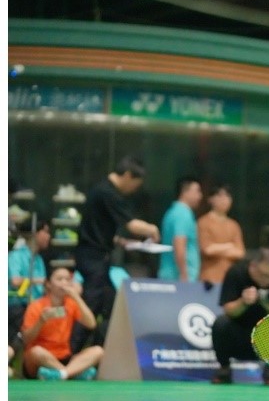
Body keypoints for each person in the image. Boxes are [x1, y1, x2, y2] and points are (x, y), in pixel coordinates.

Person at [75, 156, 159, 333]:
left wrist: (120, 241)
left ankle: (99, 344)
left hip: (94, 256)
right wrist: (152, 229)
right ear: (127, 175)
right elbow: (132, 225)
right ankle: (72, 346)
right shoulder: (109, 193)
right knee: (91, 305)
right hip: (94, 258)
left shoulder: (100, 189)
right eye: (135, 184)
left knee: (110, 305)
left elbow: (96, 227)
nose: (134, 189)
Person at [211, 248, 269, 385]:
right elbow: (228, 310)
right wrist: (243, 302)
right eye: (264, 275)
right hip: (239, 335)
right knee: (220, 323)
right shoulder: (236, 273)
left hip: (265, 339)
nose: (268, 280)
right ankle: (224, 369)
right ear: (253, 266)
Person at [19, 266, 102, 381]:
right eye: (59, 279)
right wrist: (41, 321)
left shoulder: (71, 303)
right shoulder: (36, 306)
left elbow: (91, 323)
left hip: (64, 357)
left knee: (98, 351)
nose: (64, 283)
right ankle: (73, 372)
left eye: (67, 279)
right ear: (48, 284)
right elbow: (26, 339)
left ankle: (62, 374)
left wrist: (76, 297)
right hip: (41, 358)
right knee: (36, 351)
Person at [197, 185, 245, 285]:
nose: (224, 200)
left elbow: (240, 252)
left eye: (227, 196)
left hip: (230, 279)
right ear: (210, 199)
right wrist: (229, 245)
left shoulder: (234, 225)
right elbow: (207, 249)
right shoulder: (203, 222)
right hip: (209, 279)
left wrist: (217, 249)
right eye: (220, 196)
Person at [157, 177, 202, 282]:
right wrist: (184, 274)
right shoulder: (182, 214)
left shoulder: (173, 211)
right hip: (179, 277)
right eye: (197, 191)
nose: (200, 196)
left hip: (172, 275)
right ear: (185, 192)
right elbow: (179, 243)